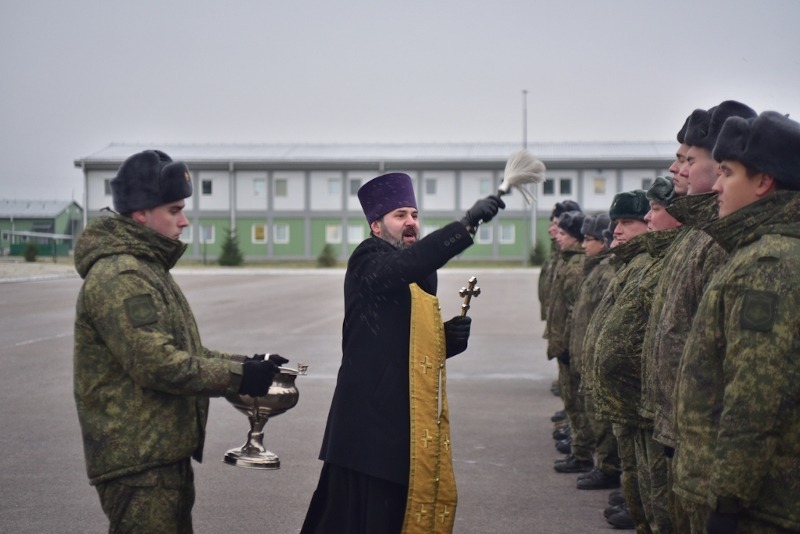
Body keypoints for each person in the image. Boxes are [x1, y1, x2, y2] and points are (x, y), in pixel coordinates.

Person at [73, 149, 287, 532]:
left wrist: (248, 362)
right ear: (141, 212)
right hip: (138, 463)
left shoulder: (145, 267)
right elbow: (157, 365)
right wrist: (239, 377)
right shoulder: (121, 276)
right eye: (174, 210)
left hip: (159, 455)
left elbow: (184, 352)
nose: (184, 221)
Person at [301, 172, 505, 534]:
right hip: (367, 423)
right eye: (400, 215)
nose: (411, 223)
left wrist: (447, 340)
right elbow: (405, 266)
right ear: (376, 226)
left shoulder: (421, 272)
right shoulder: (368, 259)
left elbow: (406, 342)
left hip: (406, 418)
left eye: (414, 214)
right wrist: (466, 224)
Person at [674, 111, 800, 533]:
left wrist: (728, 500)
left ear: (763, 182)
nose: (715, 185)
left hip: (757, 508)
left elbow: (754, 394)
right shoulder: (758, 251)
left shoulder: (769, 264)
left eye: (726, 172)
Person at [643, 100, 756, 532]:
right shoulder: (699, 231)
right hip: (678, 424)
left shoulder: (723, 240)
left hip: (701, 436)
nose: (679, 170)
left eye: (691, 160)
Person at [562, 213, 621, 489]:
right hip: (581, 353)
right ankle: (597, 460)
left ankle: (608, 468)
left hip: (596, 359)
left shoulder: (605, 273)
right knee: (587, 410)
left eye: (590, 240)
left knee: (601, 419)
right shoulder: (594, 269)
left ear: (603, 242)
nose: (585, 245)